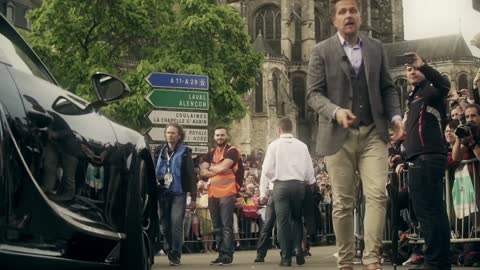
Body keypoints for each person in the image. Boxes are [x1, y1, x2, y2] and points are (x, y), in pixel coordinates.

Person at [306, 0, 403, 269]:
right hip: (338, 135)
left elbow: (388, 88)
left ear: (361, 17)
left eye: (353, 10)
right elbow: (313, 94)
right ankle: (346, 261)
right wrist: (335, 111)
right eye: (342, 11)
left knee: (377, 195)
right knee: (343, 203)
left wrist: (395, 116)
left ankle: (372, 259)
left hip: (374, 131)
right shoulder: (320, 51)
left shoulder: (376, 47)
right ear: (333, 20)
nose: (349, 15)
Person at [401, 52, 451, 270]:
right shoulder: (415, 96)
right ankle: (439, 260)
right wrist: (402, 156)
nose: (411, 71)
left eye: (415, 68)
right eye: (408, 68)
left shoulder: (431, 90)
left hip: (427, 157)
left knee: (429, 213)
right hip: (419, 157)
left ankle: (434, 261)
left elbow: (444, 84)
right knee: (432, 212)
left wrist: (425, 65)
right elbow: (414, 132)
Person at [259, 117, 316, 266]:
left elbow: (266, 169)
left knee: (282, 221)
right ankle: (298, 249)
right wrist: (309, 182)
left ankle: (285, 257)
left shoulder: (274, 145)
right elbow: (310, 170)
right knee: (297, 219)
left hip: (281, 186)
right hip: (298, 185)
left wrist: (274, 178)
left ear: (279, 129)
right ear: (292, 129)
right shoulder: (302, 146)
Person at [156, 122, 196, 266]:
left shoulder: (185, 151)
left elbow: (191, 175)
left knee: (176, 223)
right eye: (168, 132)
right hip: (163, 193)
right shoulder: (159, 150)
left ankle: (175, 253)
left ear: (179, 136)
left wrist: (194, 197)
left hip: (179, 193)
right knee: (165, 225)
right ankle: (170, 247)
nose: (170, 135)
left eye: (173, 133)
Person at [200, 126, 241, 266]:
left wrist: (211, 167)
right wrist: (217, 168)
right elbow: (202, 172)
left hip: (227, 192)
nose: (220, 137)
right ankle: (220, 253)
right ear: (214, 137)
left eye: (222, 135)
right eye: (217, 135)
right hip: (212, 193)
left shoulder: (232, 151)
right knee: (217, 226)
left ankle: (227, 254)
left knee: (226, 225)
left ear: (226, 136)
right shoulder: (211, 152)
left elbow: (223, 168)